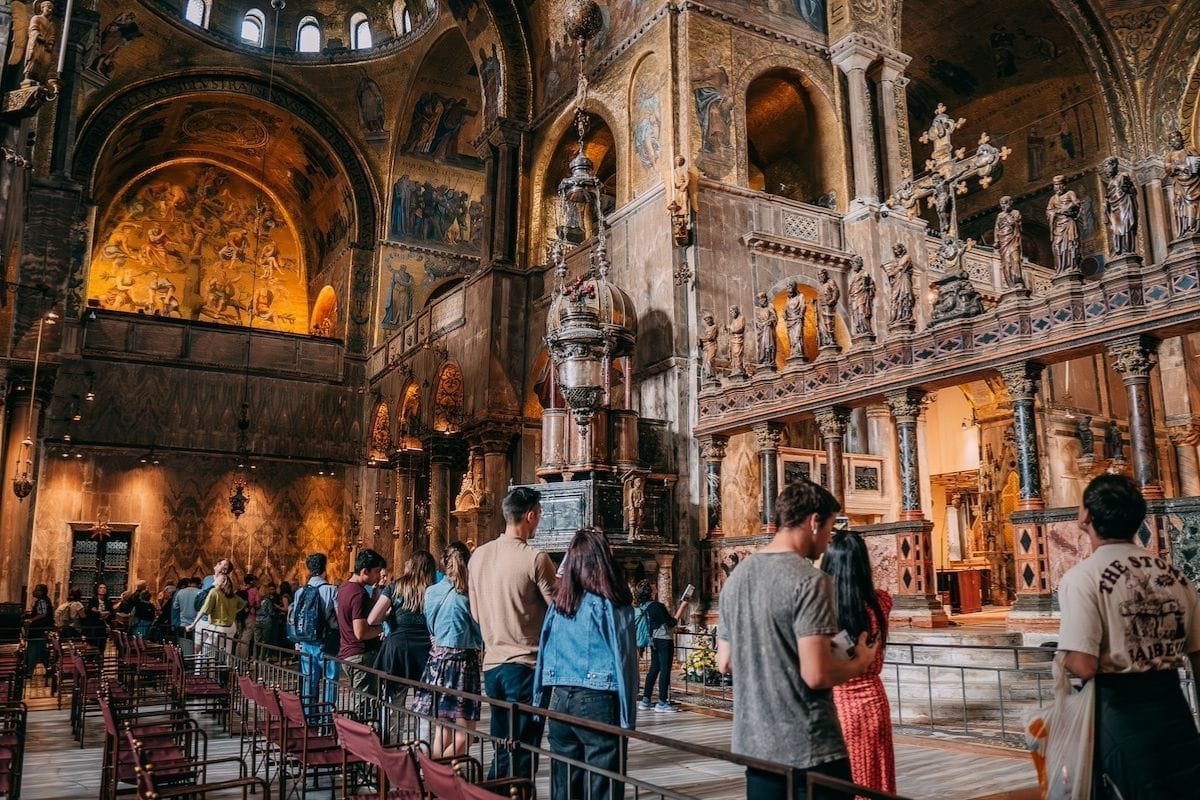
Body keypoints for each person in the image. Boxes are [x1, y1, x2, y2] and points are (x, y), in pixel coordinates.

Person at [716, 480, 880, 800]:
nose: (830, 538)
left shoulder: (736, 578)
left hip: (755, 746)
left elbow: (726, 661)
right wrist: (860, 661)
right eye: (831, 527)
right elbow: (815, 675)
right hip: (809, 748)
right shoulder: (810, 580)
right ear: (814, 521)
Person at [1058, 474, 1200, 798]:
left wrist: (1060, 654)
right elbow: (1199, 653)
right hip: (1173, 710)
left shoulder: (1082, 578)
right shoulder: (1176, 575)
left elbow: (1084, 665)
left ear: (1086, 517)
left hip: (1120, 716)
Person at [535, 528, 639, 800]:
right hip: (597, 701)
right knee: (602, 786)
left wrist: (539, 700)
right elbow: (624, 658)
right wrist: (628, 718)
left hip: (559, 701)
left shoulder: (559, 604)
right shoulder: (610, 604)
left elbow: (543, 651)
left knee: (565, 785)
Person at [468, 486, 557, 780]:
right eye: (539, 515)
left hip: (492, 666)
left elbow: (477, 614)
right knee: (523, 752)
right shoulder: (535, 558)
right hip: (526, 667)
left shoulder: (478, 556)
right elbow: (559, 610)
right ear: (530, 516)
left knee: (503, 746)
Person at [820, 527, 895, 795]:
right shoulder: (882, 602)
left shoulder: (825, 610)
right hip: (874, 700)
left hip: (839, 702)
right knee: (876, 777)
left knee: (842, 783)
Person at [413, 542, 483, 758]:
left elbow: (431, 627)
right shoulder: (468, 594)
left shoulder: (432, 591)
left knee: (443, 731)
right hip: (462, 663)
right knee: (466, 735)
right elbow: (479, 628)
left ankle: (436, 782)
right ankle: (441, 775)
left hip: (437, 662)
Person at [369, 550, 437, 705]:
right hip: (425, 649)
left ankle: (390, 730)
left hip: (399, 648)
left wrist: (388, 615)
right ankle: (422, 730)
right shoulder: (433, 591)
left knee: (394, 704)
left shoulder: (395, 587)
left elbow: (372, 619)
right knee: (424, 707)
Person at [291, 553, 341, 718]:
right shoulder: (331, 590)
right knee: (330, 681)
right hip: (327, 643)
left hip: (306, 642)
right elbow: (339, 617)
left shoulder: (300, 592)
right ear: (324, 568)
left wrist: (297, 640)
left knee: (309, 681)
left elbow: (295, 618)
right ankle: (327, 720)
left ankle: (308, 718)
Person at [337, 548, 387, 709]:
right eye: (377, 571)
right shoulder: (358, 594)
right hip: (360, 654)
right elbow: (360, 632)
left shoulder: (344, 587)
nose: (379, 576)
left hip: (348, 651)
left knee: (359, 699)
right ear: (365, 571)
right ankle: (360, 733)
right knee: (364, 705)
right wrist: (382, 629)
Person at [634, 579, 686, 713]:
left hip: (653, 640)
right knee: (665, 670)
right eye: (653, 585)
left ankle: (646, 700)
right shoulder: (657, 606)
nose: (655, 586)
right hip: (664, 640)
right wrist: (683, 606)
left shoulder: (643, 605)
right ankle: (662, 702)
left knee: (654, 669)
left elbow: (657, 624)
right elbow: (671, 623)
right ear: (650, 591)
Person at [188, 573, 245, 658]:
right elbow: (242, 604)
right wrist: (233, 612)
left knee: (206, 652)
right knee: (227, 653)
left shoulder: (214, 592)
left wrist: (193, 624)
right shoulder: (231, 594)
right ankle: (226, 669)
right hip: (231, 626)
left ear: (219, 582)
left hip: (219, 627)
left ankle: (202, 671)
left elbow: (204, 609)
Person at [24, 584, 53, 680]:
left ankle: (29, 672)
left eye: (36, 590)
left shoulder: (42, 601)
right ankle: (49, 669)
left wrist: (31, 620)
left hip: (38, 630)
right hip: (40, 630)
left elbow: (42, 614)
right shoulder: (43, 600)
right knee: (41, 651)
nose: (34, 592)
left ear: (41, 591)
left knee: (33, 651)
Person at [172, 576, 201, 655]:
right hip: (196, 624)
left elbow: (175, 607)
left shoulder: (180, 592)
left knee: (183, 646)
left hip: (183, 623)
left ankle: (183, 661)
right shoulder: (201, 592)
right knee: (195, 647)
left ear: (190, 583)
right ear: (199, 584)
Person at [236, 574, 260, 658]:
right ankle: (242, 661)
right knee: (245, 640)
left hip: (239, 616)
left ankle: (237, 659)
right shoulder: (254, 590)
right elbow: (258, 604)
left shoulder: (241, 588)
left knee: (239, 639)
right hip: (250, 616)